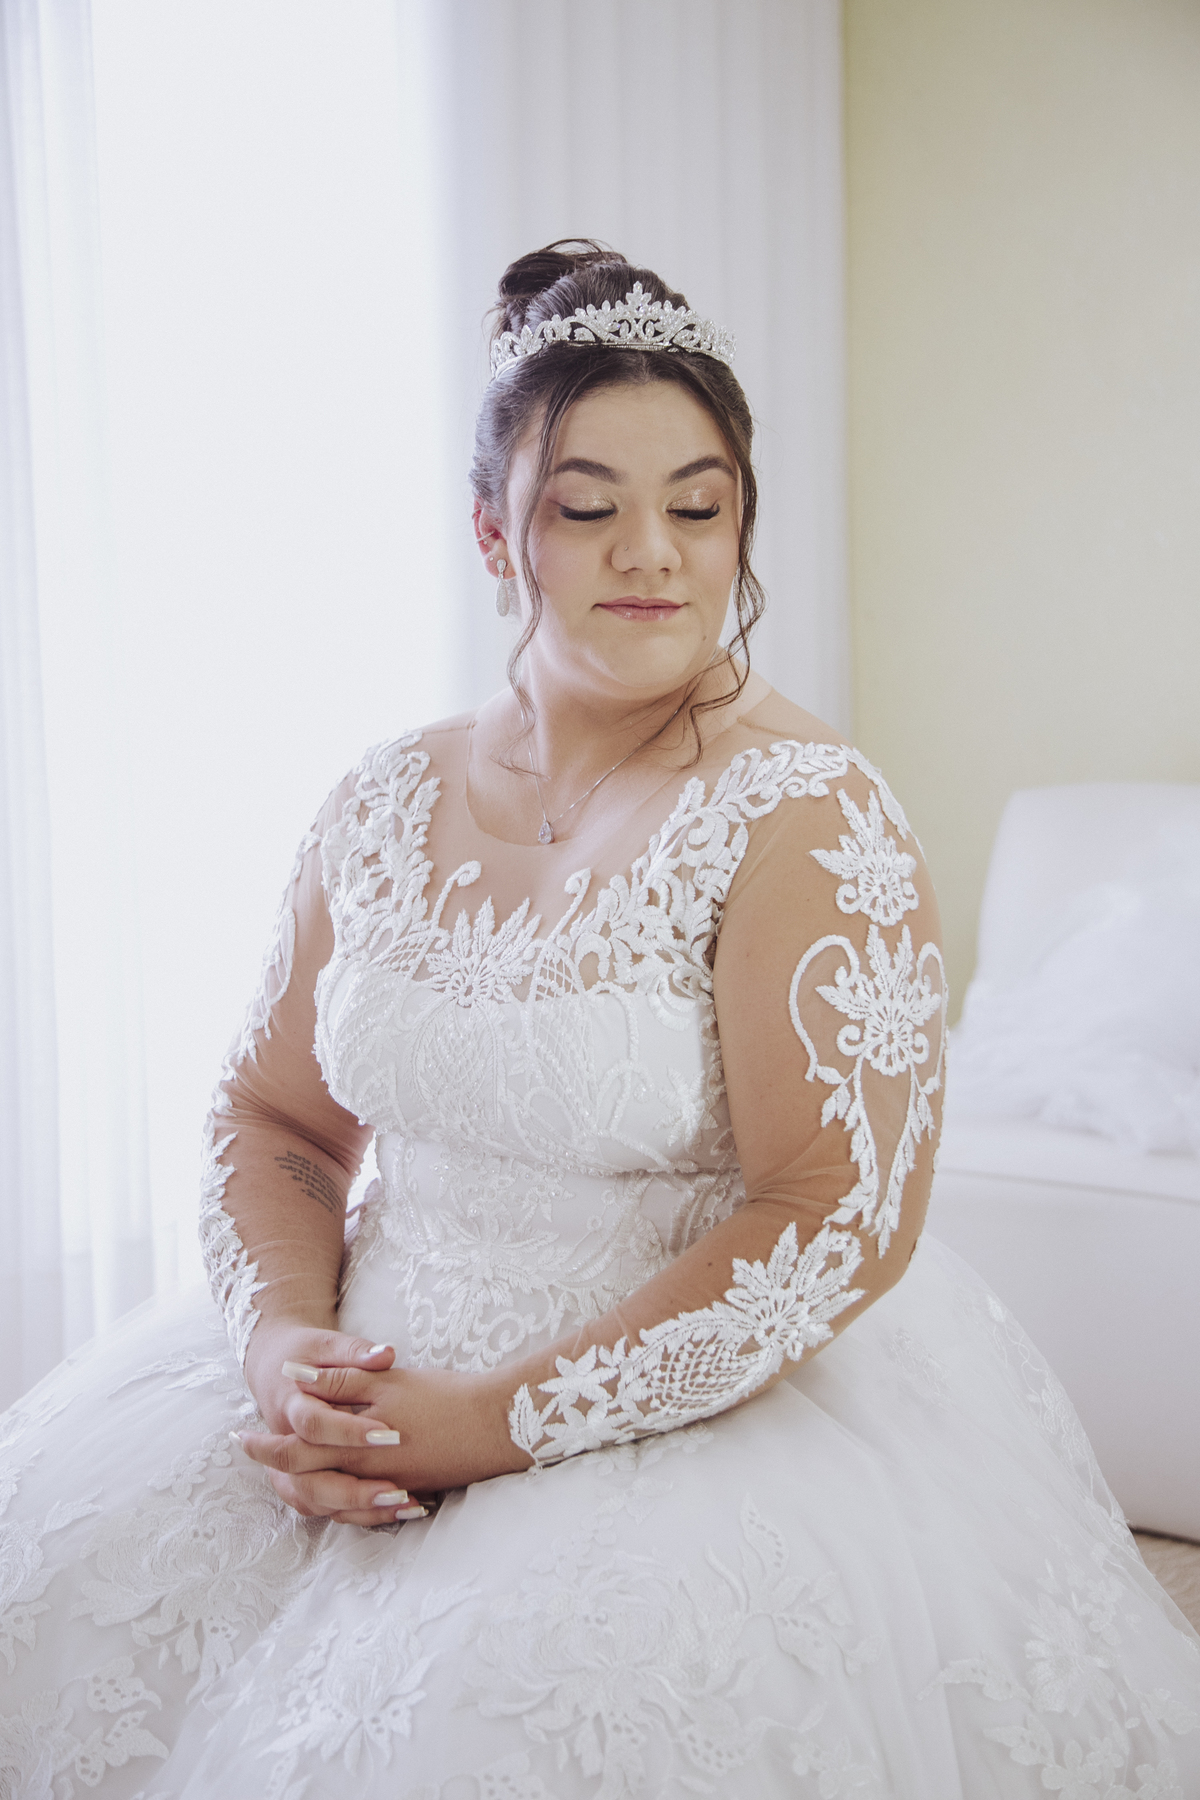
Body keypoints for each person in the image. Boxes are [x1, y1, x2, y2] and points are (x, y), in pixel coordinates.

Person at [1, 242, 1197, 1800]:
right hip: (360, 1373)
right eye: (588, 508)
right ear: (494, 531)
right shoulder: (382, 797)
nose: (653, 554)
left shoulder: (804, 813)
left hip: (669, 1407)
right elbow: (276, 1116)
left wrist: (481, 1426)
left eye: (699, 507)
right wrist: (283, 1343)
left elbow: (830, 1214)